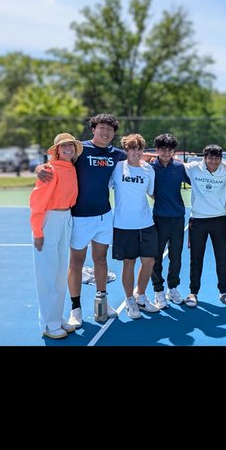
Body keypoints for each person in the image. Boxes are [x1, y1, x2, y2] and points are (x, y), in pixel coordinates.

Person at [35, 113, 153, 326]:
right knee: (76, 262)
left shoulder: (116, 154)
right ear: (93, 129)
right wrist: (38, 168)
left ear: (114, 133)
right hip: (80, 217)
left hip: (104, 216)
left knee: (101, 260)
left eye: (110, 129)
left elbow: (139, 156)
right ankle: (76, 309)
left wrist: (165, 159)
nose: (105, 132)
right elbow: (56, 161)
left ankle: (102, 301)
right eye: (102, 128)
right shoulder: (80, 150)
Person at [29, 132, 83, 339]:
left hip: (66, 218)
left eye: (71, 146)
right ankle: (48, 324)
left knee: (60, 273)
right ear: (57, 150)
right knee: (47, 274)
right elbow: (37, 202)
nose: (68, 149)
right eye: (63, 146)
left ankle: (57, 318)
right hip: (49, 219)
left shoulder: (71, 168)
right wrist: (38, 231)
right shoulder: (49, 170)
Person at [109, 133, 160, 319]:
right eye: (132, 149)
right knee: (128, 263)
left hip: (146, 223)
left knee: (149, 261)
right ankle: (130, 299)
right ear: (126, 150)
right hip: (123, 225)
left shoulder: (149, 170)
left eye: (139, 149)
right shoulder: (117, 168)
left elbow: (151, 193)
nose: (136, 152)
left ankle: (141, 296)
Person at [184, 144, 226, 307]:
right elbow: (174, 161)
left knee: (221, 257)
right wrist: (148, 158)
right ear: (204, 158)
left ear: (221, 159)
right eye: (210, 158)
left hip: (219, 220)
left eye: (217, 158)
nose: (214, 161)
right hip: (198, 220)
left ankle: (224, 291)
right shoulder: (193, 168)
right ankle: (193, 292)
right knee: (196, 258)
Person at [149, 134, 190, 308]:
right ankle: (158, 290)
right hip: (159, 218)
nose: (166, 153)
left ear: (174, 151)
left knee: (176, 256)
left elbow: (198, 181)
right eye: (163, 150)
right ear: (156, 150)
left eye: (170, 150)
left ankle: (172, 288)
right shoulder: (150, 168)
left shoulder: (180, 167)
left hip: (178, 218)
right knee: (156, 256)